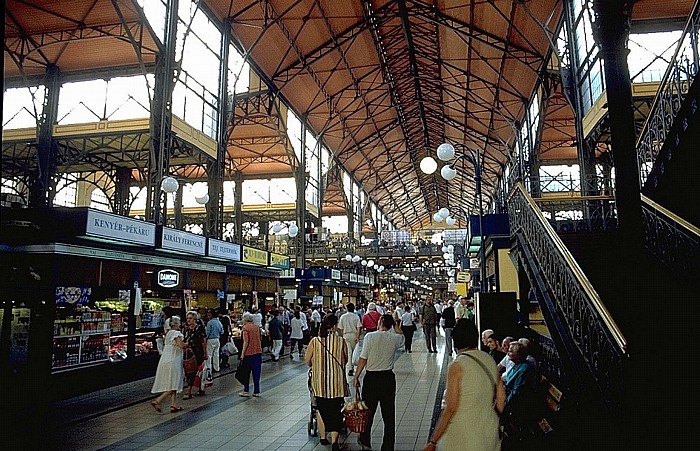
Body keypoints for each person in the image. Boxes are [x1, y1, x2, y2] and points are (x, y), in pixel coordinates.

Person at [424, 319, 505, 451]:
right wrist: (493, 416)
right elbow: (501, 397)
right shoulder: (489, 359)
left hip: (463, 433)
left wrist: (433, 441)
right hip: (489, 430)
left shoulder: (456, 366)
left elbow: (450, 407)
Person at [353, 314, 404, 451]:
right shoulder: (395, 338)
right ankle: (387, 446)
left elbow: (363, 358)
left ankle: (365, 442)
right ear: (391, 324)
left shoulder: (370, 337)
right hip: (387, 379)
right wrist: (395, 325)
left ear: (380, 322)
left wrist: (356, 376)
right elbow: (401, 335)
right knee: (388, 415)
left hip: (372, 379)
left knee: (368, 413)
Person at [305, 314, 348, 451]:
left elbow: (307, 361)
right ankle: (334, 441)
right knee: (335, 410)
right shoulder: (341, 341)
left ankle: (323, 438)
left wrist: (317, 365)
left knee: (320, 409)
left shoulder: (315, 341)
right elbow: (345, 360)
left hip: (320, 384)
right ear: (335, 326)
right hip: (336, 384)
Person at [151, 315, 188, 413]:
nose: (180, 324)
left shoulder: (168, 333)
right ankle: (158, 400)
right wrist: (187, 344)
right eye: (179, 322)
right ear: (175, 324)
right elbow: (180, 345)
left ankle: (173, 405)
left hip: (165, 359)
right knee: (174, 383)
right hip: (174, 360)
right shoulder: (176, 333)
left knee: (172, 381)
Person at [183, 310, 207, 398]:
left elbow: (203, 341)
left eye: (190, 318)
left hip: (198, 352)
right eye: (187, 318)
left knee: (198, 371)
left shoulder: (199, 328)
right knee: (190, 371)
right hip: (189, 353)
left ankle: (195, 389)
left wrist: (205, 352)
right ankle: (194, 389)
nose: (188, 320)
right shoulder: (186, 329)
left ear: (195, 319)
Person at [239, 312, 263, 397]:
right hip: (258, 353)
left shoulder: (245, 328)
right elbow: (260, 339)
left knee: (246, 373)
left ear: (245, 319)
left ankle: (246, 390)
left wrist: (242, 354)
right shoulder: (257, 328)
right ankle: (256, 391)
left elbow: (246, 341)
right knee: (256, 373)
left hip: (248, 354)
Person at [338, 302, 362, 376]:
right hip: (354, 335)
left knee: (349, 352)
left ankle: (350, 369)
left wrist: (341, 336)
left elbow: (340, 328)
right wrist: (357, 336)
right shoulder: (356, 317)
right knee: (355, 352)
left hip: (346, 335)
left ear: (346, 308)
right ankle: (355, 366)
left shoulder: (343, 317)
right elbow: (359, 327)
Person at [205, 309, 223, 373]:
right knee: (216, 354)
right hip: (217, 339)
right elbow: (222, 331)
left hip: (210, 340)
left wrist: (205, 339)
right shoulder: (219, 322)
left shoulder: (209, 323)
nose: (208, 316)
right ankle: (216, 368)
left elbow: (207, 333)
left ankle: (209, 369)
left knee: (209, 355)